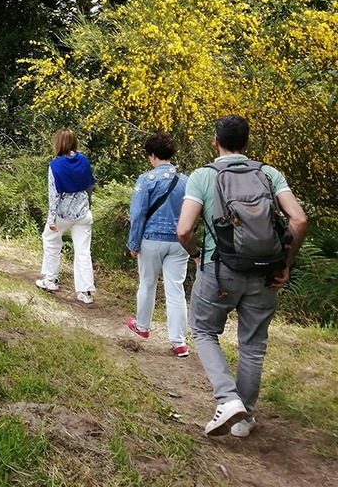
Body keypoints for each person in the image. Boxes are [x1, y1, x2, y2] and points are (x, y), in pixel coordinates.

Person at [176, 115, 308, 437]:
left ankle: (228, 398)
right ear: (247, 143)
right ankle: (245, 418)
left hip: (219, 270)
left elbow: (184, 230)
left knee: (203, 330)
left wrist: (196, 255)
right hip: (266, 273)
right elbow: (299, 220)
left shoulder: (203, 176)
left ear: (215, 142)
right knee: (253, 344)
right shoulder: (269, 173)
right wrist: (285, 264)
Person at [125, 132, 191, 356]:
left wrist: (134, 243)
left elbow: (138, 213)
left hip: (151, 239)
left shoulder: (146, 180)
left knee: (147, 284)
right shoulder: (186, 181)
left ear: (152, 155)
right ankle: (179, 342)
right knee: (176, 290)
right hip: (179, 241)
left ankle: (143, 327)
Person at [36, 128, 96, 304]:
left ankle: (50, 279)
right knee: (83, 251)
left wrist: (51, 220)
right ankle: (85, 291)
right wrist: (88, 206)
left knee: (51, 240)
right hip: (83, 212)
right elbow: (89, 186)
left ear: (57, 143)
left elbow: (53, 195)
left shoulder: (55, 165)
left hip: (63, 214)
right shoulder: (83, 160)